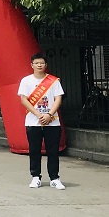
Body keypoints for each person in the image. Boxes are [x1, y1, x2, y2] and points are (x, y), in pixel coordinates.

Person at [18, 53, 65, 189]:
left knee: (53, 150)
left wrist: (49, 114)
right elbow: (23, 99)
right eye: (37, 63)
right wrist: (38, 114)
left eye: (42, 63)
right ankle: (35, 177)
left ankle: (54, 178)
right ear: (32, 65)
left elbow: (58, 99)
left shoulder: (53, 81)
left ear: (46, 65)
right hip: (33, 121)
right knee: (34, 150)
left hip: (52, 121)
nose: (39, 65)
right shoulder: (26, 81)